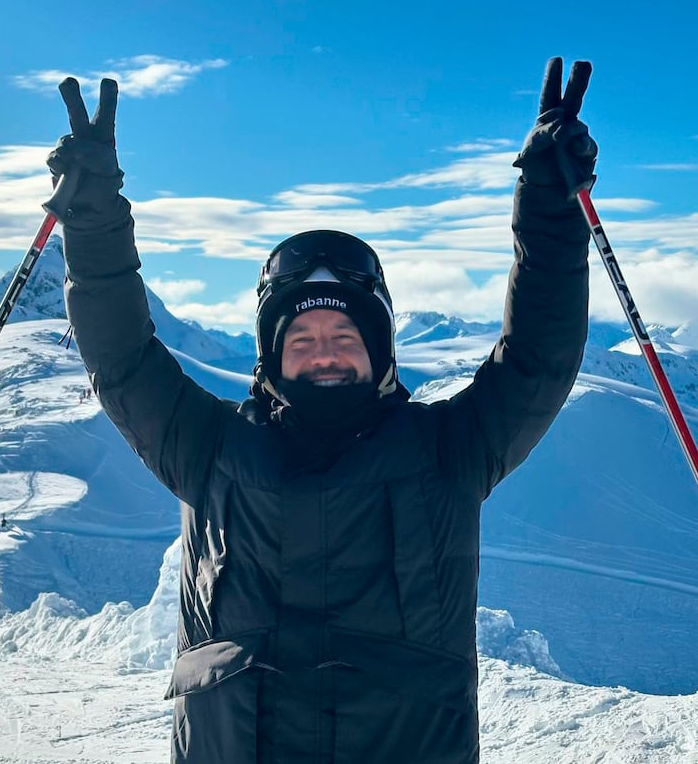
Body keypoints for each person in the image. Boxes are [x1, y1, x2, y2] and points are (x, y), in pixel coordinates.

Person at [47, 58, 596, 764]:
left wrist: (551, 206)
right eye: (301, 338)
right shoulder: (206, 446)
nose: (324, 352)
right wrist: (92, 221)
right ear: (271, 357)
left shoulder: (450, 450)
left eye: (344, 335)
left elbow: (536, 360)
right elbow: (122, 355)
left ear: (380, 349)